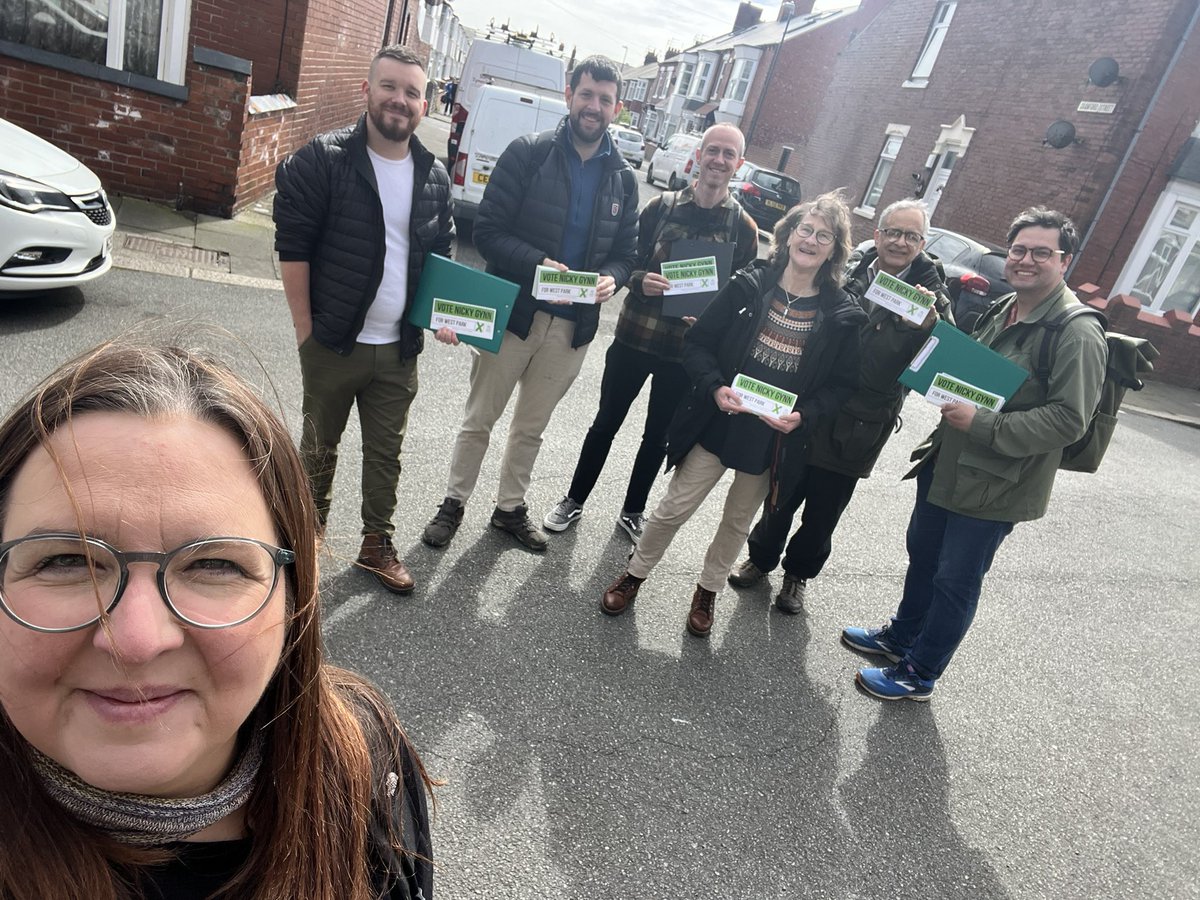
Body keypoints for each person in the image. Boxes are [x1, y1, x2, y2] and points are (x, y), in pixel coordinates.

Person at [0, 341, 433, 898]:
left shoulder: (361, 753)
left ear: (292, 598)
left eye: (212, 564)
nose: (135, 641)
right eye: (64, 561)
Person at [842, 207, 1107, 701]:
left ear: (1064, 260)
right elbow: (968, 360)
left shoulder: (1075, 330)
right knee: (923, 557)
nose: (1026, 260)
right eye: (1020, 250)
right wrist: (933, 320)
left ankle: (919, 672)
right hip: (948, 462)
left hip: (996, 482)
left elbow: (1071, 419)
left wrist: (982, 422)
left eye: (1041, 252)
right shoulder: (1006, 305)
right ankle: (901, 638)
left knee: (956, 580)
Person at [600, 193, 866, 637]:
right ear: (788, 235)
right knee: (672, 509)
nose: (811, 240)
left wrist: (804, 416)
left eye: (824, 235)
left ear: (834, 250)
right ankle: (635, 573)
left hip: (771, 440)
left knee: (738, 523)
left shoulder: (840, 315)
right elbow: (698, 343)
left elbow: (843, 386)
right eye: (805, 229)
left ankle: (708, 591)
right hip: (718, 421)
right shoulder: (748, 284)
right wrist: (714, 387)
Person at [422, 55, 639, 553]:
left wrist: (613, 279)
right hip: (514, 313)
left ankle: (508, 509)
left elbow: (628, 254)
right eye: (586, 94)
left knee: (531, 429)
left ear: (617, 108)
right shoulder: (528, 152)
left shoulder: (624, 179)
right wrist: (539, 262)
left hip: (572, 329)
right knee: (481, 418)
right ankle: (453, 503)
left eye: (605, 100)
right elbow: (490, 232)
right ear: (570, 95)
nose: (594, 106)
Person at [274, 46, 454, 596]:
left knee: (386, 455)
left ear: (426, 104)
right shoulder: (322, 161)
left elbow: (440, 256)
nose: (400, 100)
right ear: (367, 91)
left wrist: (444, 316)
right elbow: (293, 250)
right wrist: (306, 335)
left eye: (412, 92)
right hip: (333, 343)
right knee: (317, 452)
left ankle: (376, 545)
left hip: (398, 349)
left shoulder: (434, 175)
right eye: (390, 87)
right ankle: (306, 546)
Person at [728, 198, 952, 612]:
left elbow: (942, 364)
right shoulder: (849, 267)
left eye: (911, 235)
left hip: (861, 421)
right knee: (780, 491)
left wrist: (929, 327)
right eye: (893, 232)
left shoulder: (932, 294)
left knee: (825, 509)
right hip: (812, 403)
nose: (900, 242)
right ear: (879, 234)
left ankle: (798, 577)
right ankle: (760, 559)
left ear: (922, 242)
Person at [542, 123, 759, 544]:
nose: (718, 160)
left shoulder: (743, 228)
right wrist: (640, 278)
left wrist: (717, 322)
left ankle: (633, 511)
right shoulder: (661, 206)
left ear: (739, 164)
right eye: (711, 150)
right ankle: (574, 499)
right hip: (634, 339)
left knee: (657, 436)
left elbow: (743, 296)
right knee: (605, 422)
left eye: (728, 154)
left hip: (687, 355)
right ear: (698, 156)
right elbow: (624, 260)